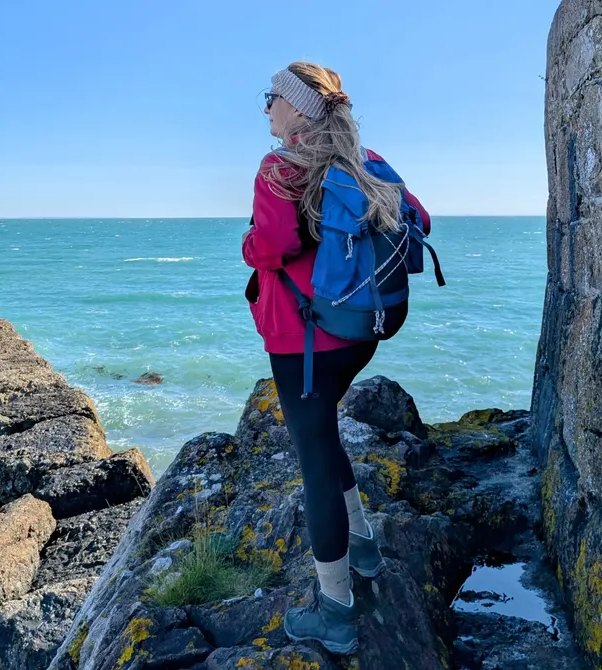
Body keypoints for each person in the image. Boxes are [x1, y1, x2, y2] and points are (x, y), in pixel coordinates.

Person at [242, 61, 432, 655]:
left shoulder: (279, 169)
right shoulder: (363, 161)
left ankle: (335, 612)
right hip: (360, 331)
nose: (267, 107)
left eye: (272, 97)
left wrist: (248, 242)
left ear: (298, 108)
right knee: (324, 436)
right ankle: (365, 548)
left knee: (315, 464)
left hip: (303, 340)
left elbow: (271, 247)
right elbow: (420, 217)